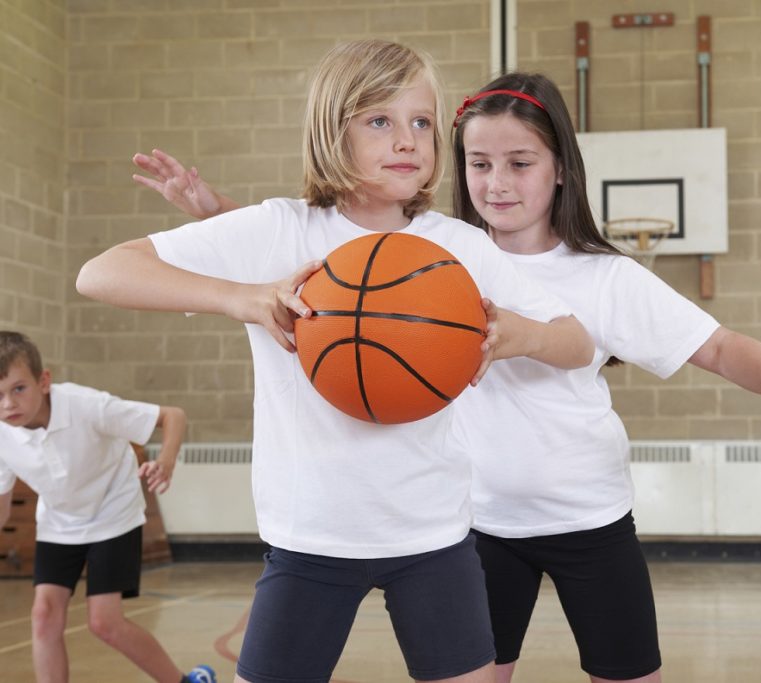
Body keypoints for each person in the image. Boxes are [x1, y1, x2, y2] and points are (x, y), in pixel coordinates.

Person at [129, 71, 761, 683]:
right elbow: (335, 281)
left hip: (588, 517)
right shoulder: (432, 255)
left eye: (519, 163)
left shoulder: (603, 277)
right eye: (479, 163)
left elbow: (715, 345)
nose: (496, 183)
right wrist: (222, 220)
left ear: (561, 167)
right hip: (478, 522)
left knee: (629, 671)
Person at [77, 41, 593, 683]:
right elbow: (101, 273)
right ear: (331, 129)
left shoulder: (457, 246)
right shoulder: (278, 231)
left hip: (434, 534)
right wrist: (240, 297)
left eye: (423, 123)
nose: (407, 140)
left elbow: (578, 342)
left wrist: (521, 334)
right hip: (311, 537)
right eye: (380, 120)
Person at [0, 332, 216, 683]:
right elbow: (2, 509)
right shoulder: (3, 435)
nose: (8, 404)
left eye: (18, 388)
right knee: (43, 615)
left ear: (44, 381)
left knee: (104, 622)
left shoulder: (87, 405)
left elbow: (172, 416)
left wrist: (166, 461)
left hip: (114, 514)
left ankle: (183, 681)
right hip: (60, 522)